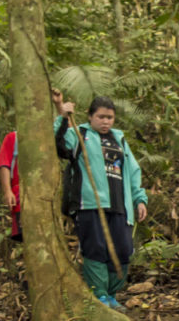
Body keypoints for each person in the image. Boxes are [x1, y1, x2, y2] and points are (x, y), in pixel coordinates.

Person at [55, 95, 147, 309]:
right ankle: (100, 296)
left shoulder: (119, 139)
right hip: (90, 204)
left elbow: (133, 171)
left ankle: (112, 294)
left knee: (123, 250)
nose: (106, 122)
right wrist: (61, 115)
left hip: (120, 205)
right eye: (101, 117)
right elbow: (59, 146)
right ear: (90, 116)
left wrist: (139, 199)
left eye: (110, 117)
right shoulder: (80, 134)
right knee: (95, 248)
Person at [0, 90, 63, 242]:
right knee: (26, 237)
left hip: (46, 197)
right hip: (21, 196)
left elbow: (67, 131)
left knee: (46, 238)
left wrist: (59, 104)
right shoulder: (13, 138)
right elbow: (4, 164)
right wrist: (7, 192)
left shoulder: (46, 138)